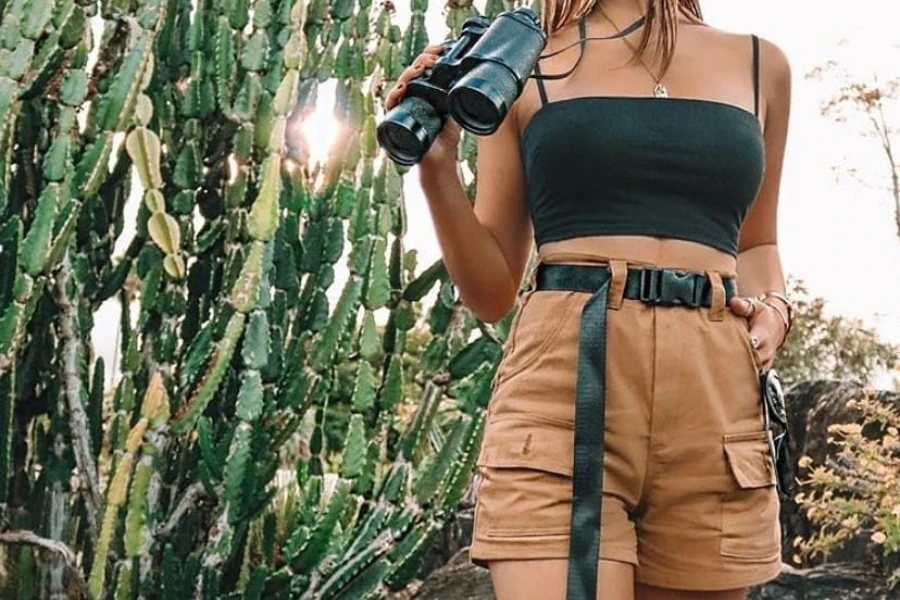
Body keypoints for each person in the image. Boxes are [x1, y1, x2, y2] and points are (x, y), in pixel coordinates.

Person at [384, 0, 793, 598]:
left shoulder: (762, 65)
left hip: (715, 408)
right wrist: (437, 167)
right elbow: (493, 290)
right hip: (563, 398)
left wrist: (776, 309)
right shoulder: (522, 64)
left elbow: (758, 243)